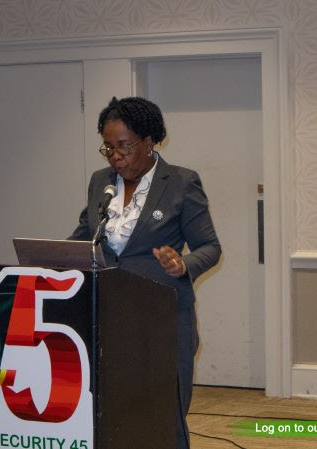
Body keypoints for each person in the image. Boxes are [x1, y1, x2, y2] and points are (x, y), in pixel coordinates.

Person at [69, 96, 221, 448]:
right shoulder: (100, 182)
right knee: (113, 413)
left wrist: (183, 264)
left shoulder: (181, 182)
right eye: (108, 148)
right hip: (109, 317)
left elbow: (210, 247)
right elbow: (85, 236)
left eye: (123, 146)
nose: (115, 156)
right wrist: (51, 256)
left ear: (149, 141)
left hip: (161, 318)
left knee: (164, 418)